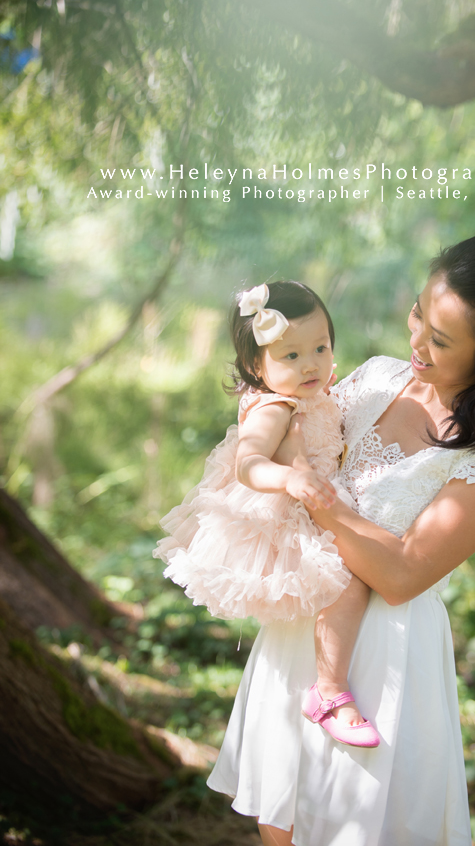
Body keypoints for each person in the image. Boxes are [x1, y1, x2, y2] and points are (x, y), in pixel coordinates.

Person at [208, 232, 475, 846]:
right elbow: (297, 425)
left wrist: (313, 495)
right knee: (285, 821)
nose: (416, 344)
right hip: (307, 622)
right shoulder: (378, 377)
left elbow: (402, 574)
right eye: (418, 318)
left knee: (361, 826)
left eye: (441, 340)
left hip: (387, 658)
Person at [154, 280, 380, 748]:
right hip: (285, 514)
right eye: (291, 356)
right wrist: (289, 477)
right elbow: (248, 463)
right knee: (348, 583)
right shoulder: (274, 407)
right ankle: (329, 692)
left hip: (314, 501)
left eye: (321, 347)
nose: (311, 364)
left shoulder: (306, 395)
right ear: (257, 366)